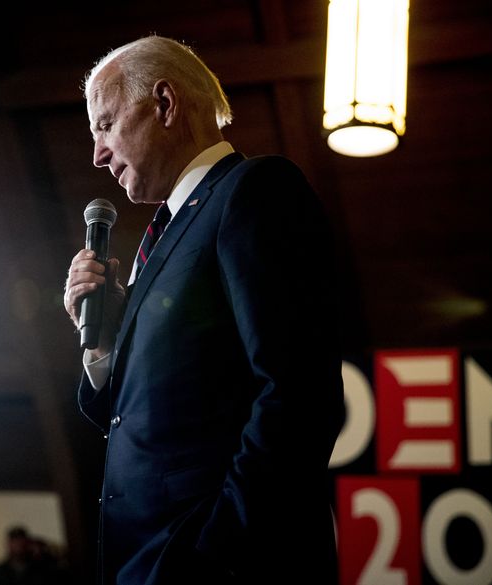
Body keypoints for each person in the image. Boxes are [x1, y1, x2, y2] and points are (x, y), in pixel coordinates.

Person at [63, 35, 345, 584]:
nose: (97, 153)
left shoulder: (253, 191)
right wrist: (106, 344)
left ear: (164, 104)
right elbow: (142, 420)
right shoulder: (165, 235)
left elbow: (297, 395)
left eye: (104, 124)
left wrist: (214, 554)